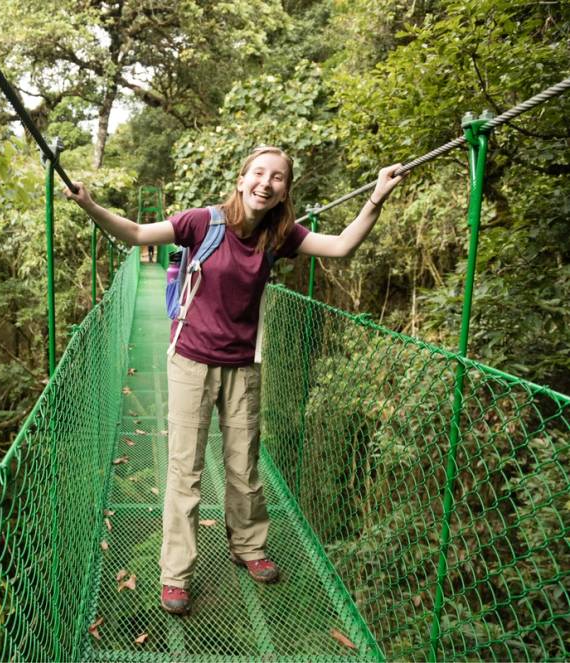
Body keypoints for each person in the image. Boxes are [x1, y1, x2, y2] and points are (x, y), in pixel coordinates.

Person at [65, 145, 405, 615]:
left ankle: (248, 546)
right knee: (185, 471)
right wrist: (89, 204)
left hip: (244, 364)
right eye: (259, 173)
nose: (267, 183)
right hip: (190, 362)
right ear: (242, 179)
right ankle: (176, 574)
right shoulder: (201, 223)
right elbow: (138, 233)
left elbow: (342, 246)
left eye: (279, 177)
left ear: (286, 190)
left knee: (244, 467)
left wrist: (376, 198)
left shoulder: (280, 234)